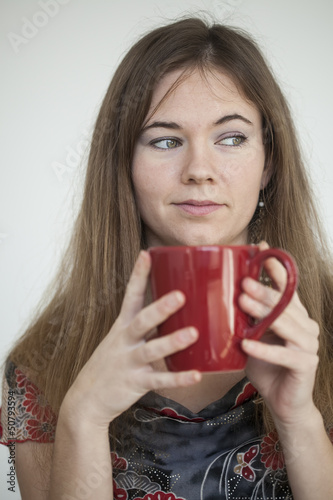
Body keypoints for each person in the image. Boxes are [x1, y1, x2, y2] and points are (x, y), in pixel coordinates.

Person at [1, 16, 333, 500]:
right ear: (124, 167)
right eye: (165, 140)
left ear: (269, 163)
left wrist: (299, 418)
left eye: (232, 138)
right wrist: (83, 417)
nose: (199, 170)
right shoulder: (38, 368)